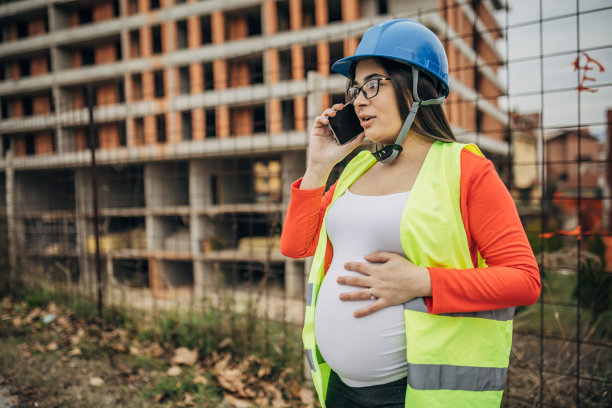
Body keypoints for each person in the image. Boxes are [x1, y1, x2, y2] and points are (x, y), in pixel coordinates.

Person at [280, 19, 541, 408]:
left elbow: (524, 281)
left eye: (373, 84)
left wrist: (422, 281)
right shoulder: (356, 169)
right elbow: (296, 246)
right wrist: (318, 166)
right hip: (339, 389)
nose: (358, 101)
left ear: (418, 87)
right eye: (354, 89)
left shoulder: (466, 170)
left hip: (412, 394)